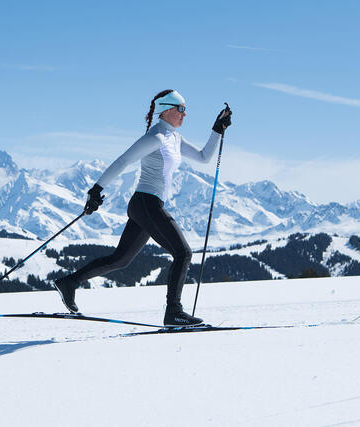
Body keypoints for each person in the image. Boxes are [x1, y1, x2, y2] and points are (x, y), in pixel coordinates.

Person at [53, 89, 232, 326]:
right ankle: (174, 312)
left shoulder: (174, 138)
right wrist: (96, 190)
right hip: (146, 203)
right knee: (183, 253)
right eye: (181, 109)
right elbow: (124, 160)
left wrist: (217, 129)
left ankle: (69, 283)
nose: (185, 114)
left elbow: (203, 157)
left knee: (120, 259)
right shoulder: (156, 137)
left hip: (147, 205)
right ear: (167, 110)